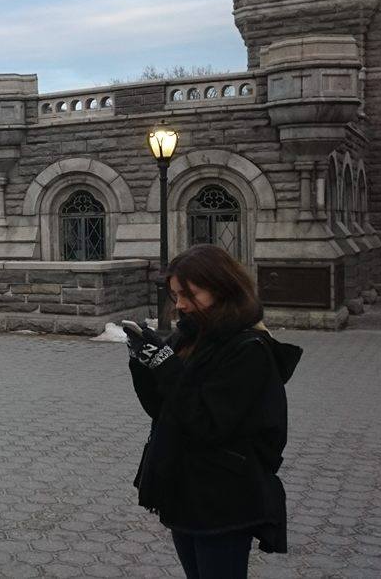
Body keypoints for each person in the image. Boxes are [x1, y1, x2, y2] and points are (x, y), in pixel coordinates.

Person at [124, 244, 302, 579]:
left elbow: (208, 423)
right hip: (184, 491)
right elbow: (163, 410)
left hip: (223, 499)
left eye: (189, 294)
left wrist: (166, 367)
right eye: (176, 295)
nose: (180, 304)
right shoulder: (189, 335)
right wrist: (143, 365)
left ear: (222, 288)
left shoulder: (248, 349)